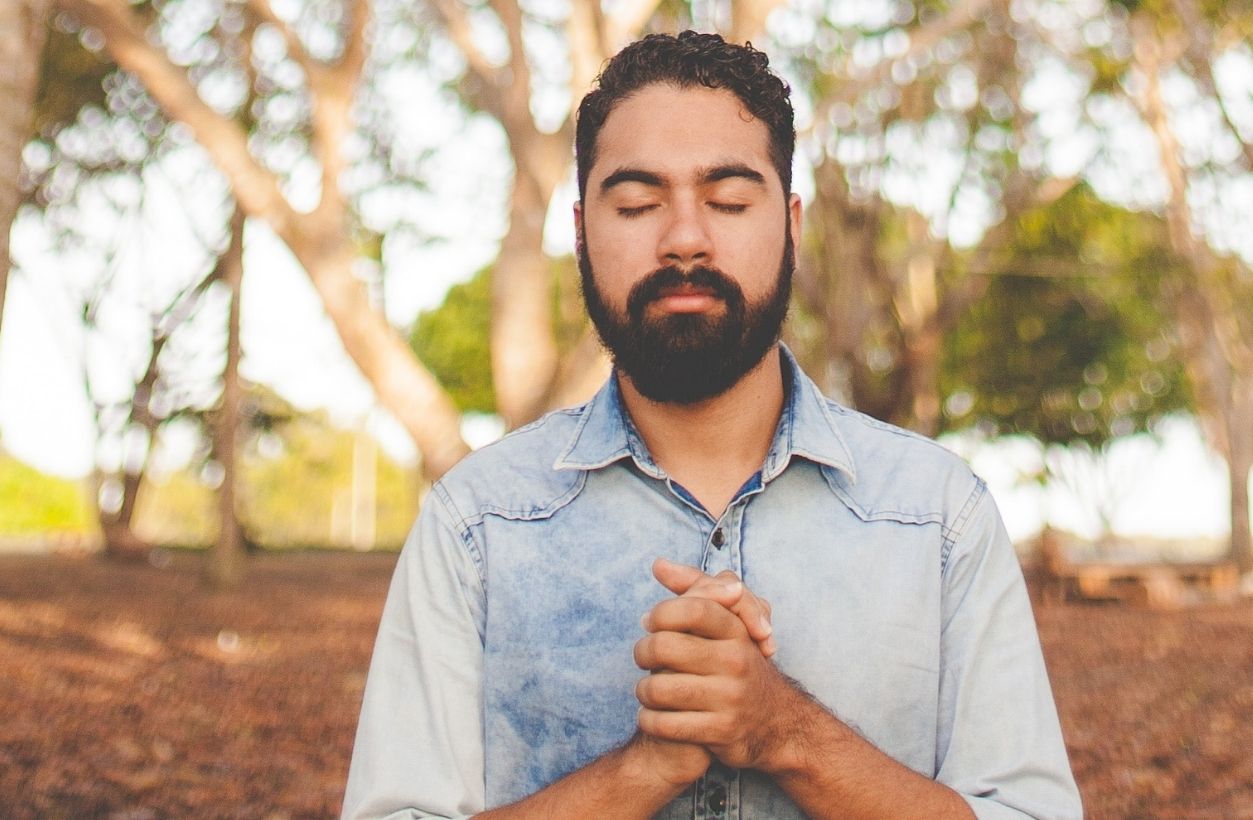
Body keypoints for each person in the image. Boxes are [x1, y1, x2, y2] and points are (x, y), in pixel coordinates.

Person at [342, 31, 1080, 819]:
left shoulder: (939, 516)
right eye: (636, 204)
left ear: (792, 225)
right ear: (583, 232)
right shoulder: (475, 525)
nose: (685, 237)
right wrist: (642, 771)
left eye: (728, 200)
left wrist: (783, 730)